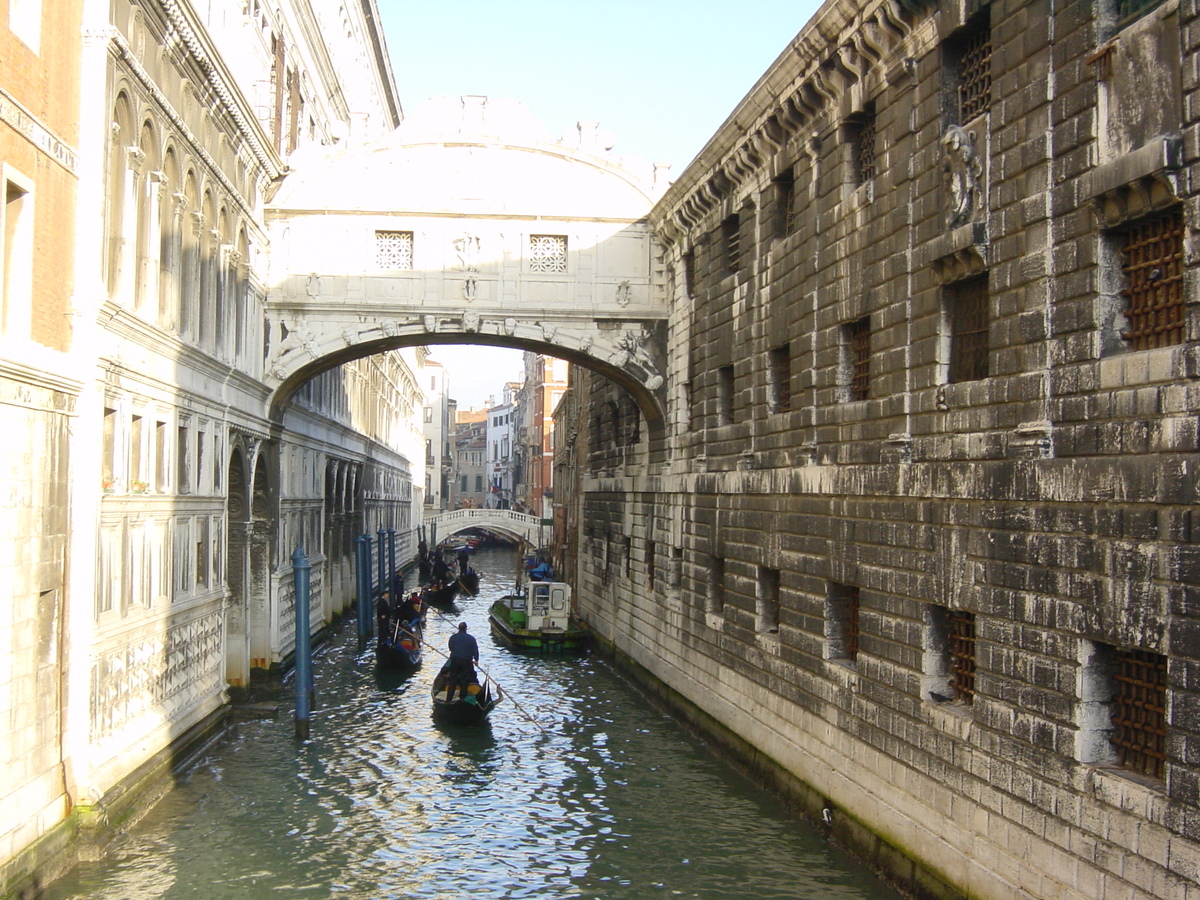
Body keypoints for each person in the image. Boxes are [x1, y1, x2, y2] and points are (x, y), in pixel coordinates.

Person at [445, 622, 479, 702]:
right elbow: (475, 650)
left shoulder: (453, 637)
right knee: (464, 679)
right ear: (466, 628)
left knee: (453, 679)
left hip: (455, 660)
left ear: (458, 628)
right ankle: (462, 698)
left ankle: (449, 699)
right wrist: (476, 660)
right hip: (466, 661)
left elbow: (451, 648)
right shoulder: (471, 638)